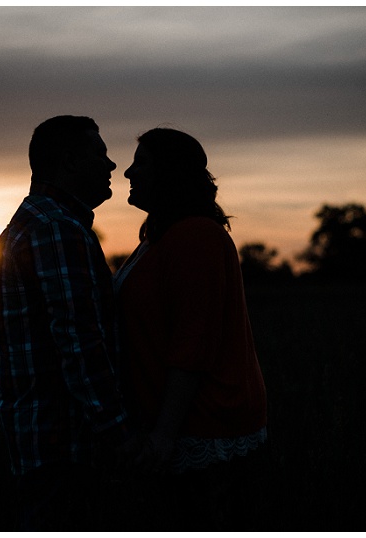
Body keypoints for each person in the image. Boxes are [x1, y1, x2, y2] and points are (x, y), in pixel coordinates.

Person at [113, 127, 268, 530]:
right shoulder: (160, 238)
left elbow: (193, 343)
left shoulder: (196, 235)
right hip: (178, 425)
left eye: (141, 163)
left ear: (169, 173)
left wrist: (165, 434)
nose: (128, 172)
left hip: (203, 426)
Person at [0, 115, 131, 530]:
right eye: (100, 155)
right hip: (62, 444)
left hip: (41, 440)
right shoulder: (56, 229)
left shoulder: (35, 223)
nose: (112, 166)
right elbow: (79, 340)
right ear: (70, 161)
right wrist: (119, 431)